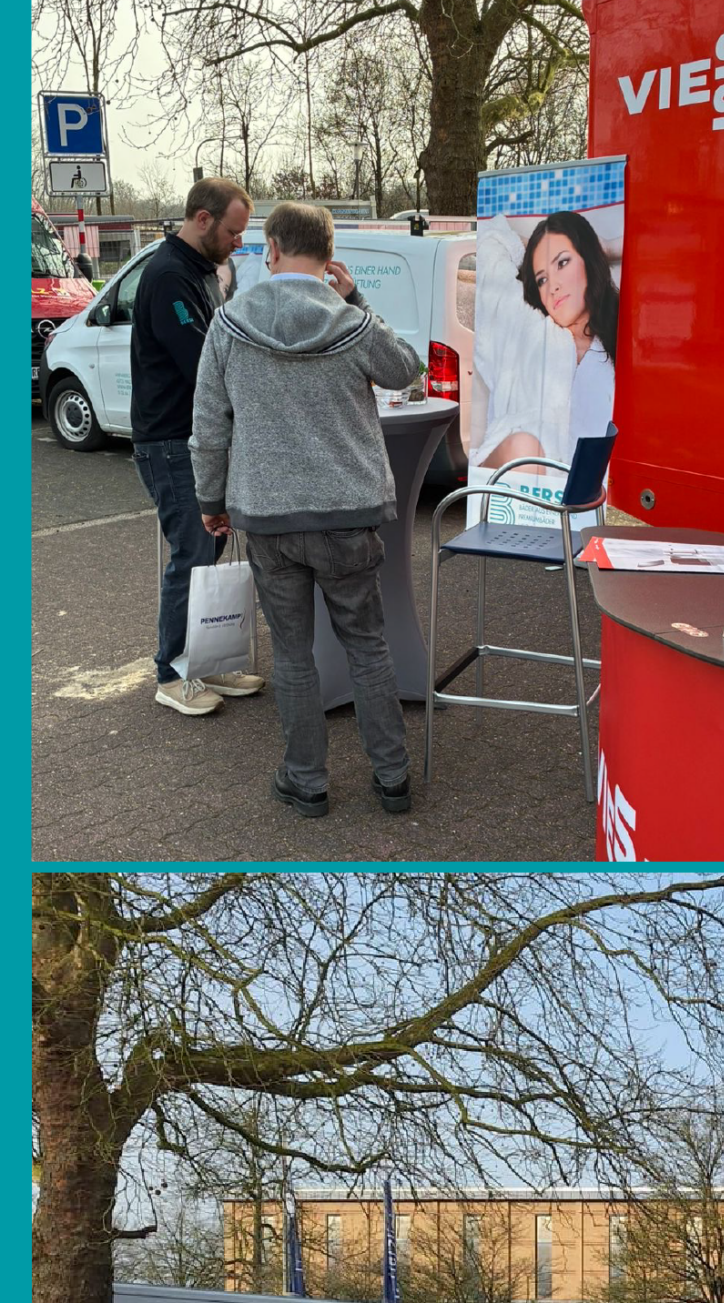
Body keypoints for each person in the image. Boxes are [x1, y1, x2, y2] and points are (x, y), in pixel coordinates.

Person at [190, 200, 425, 820]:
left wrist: (211, 500)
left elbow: (209, 428)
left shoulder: (229, 324)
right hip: (348, 514)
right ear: (329, 256)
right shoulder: (350, 322)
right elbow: (405, 369)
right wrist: (358, 301)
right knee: (367, 646)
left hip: (268, 518)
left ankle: (307, 781)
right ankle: (393, 778)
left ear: (270, 249)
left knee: (292, 655)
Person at [129, 176, 262, 719]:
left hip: (193, 439)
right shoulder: (168, 276)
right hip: (170, 440)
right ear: (202, 219)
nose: (238, 242)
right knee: (192, 552)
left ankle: (205, 660)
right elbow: (204, 364)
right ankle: (171, 672)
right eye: (233, 231)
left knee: (207, 552)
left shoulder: (203, 272)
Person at [475, 208, 620, 472]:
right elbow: (488, 239)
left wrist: (607, 248)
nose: (553, 286)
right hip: (513, 478)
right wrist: (534, 245)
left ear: (588, 260)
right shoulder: (525, 324)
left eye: (562, 263)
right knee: (525, 448)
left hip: (585, 489)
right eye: (542, 279)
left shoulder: (621, 340)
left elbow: (669, 250)